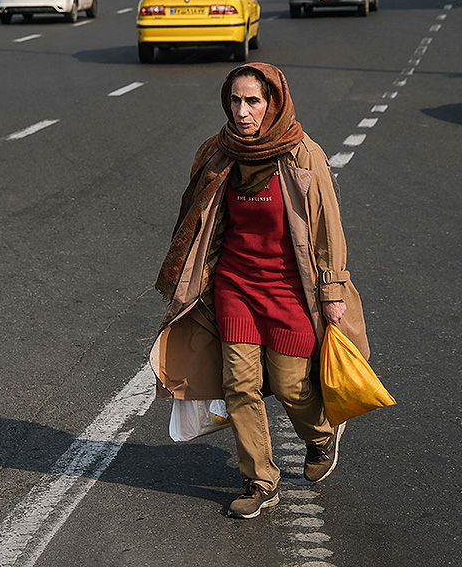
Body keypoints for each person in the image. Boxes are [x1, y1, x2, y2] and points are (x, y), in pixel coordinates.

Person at [151, 63, 370, 520]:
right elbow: (199, 216)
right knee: (239, 386)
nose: (243, 111)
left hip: (290, 290)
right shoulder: (221, 151)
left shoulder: (302, 154)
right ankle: (260, 479)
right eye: (235, 100)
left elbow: (328, 227)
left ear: (273, 102)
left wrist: (331, 290)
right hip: (236, 286)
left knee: (292, 385)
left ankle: (321, 435)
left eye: (253, 101)